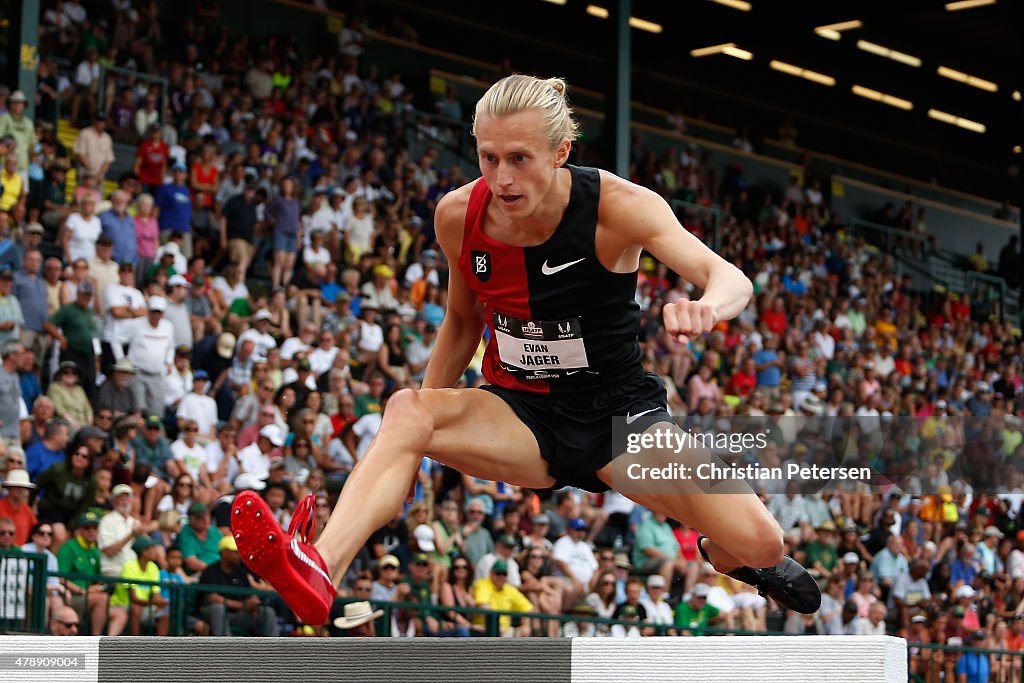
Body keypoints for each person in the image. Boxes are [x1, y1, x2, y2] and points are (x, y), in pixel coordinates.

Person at [230, 74, 820, 625]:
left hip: (619, 422)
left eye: (519, 159)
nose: (502, 177)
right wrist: (419, 437)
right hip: (519, 414)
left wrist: (706, 307)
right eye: (489, 158)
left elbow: (731, 278)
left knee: (764, 542)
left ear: (560, 152)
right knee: (407, 408)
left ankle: (726, 552)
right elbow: (463, 317)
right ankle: (317, 569)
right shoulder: (459, 215)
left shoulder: (618, 206)